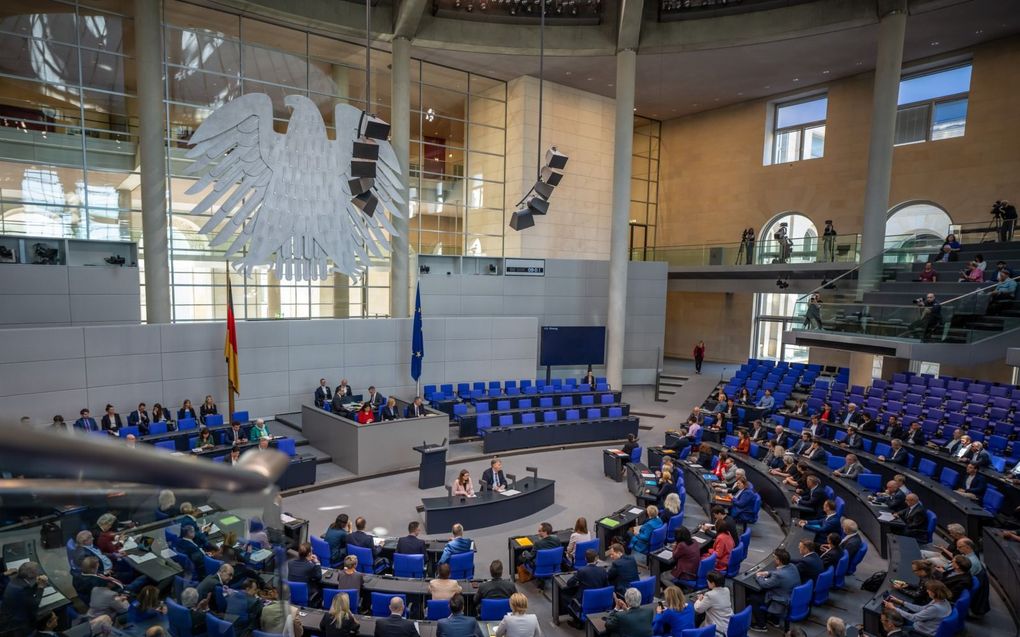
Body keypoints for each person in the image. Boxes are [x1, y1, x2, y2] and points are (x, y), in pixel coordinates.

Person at [748, 548, 800, 631]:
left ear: (778, 560)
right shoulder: (792, 566)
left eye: (774, 558)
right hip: (789, 595)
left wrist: (758, 576)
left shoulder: (778, 575)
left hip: (781, 601)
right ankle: (774, 621)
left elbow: (764, 584)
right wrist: (768, 573)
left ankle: (761, 625)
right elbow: (779, 571)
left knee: (753, 598)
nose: (773, 559)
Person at [883, 580, 953, 637]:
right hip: (922, 624)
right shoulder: (941, 600)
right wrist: (901, 602)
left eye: (928, 590)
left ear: (934, 593)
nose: (927, 591)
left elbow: (914, 618)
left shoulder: (936, 608)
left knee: (892, 629)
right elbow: (921, 609)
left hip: (920, 631)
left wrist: (893, 608)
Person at [0, 561, 47, 635]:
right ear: (30, 575)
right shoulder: (24, 589)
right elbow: (35, 605)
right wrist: (41, 588)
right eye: (38, 571)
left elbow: (29, 593)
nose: (40, 572)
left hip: (6, 615)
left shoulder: (16, 579)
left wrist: (36, 585)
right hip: (17, 627)